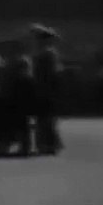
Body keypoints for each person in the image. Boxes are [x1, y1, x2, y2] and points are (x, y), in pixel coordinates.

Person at [30, 24, 65, 155]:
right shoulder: (46, 53)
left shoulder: (48, 54)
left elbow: (51, 75)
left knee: (46, 118)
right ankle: (47, 144)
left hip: (46, 90)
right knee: (44, 118)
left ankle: (48, 144)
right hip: (43, 89)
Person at [0, 51, 36, 157]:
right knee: (20, 128)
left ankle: (17, 148)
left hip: (19, 107)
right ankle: (20, 148)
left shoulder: (23, 80)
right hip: (18, 106)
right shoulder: (25, 80)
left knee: (19, 128)